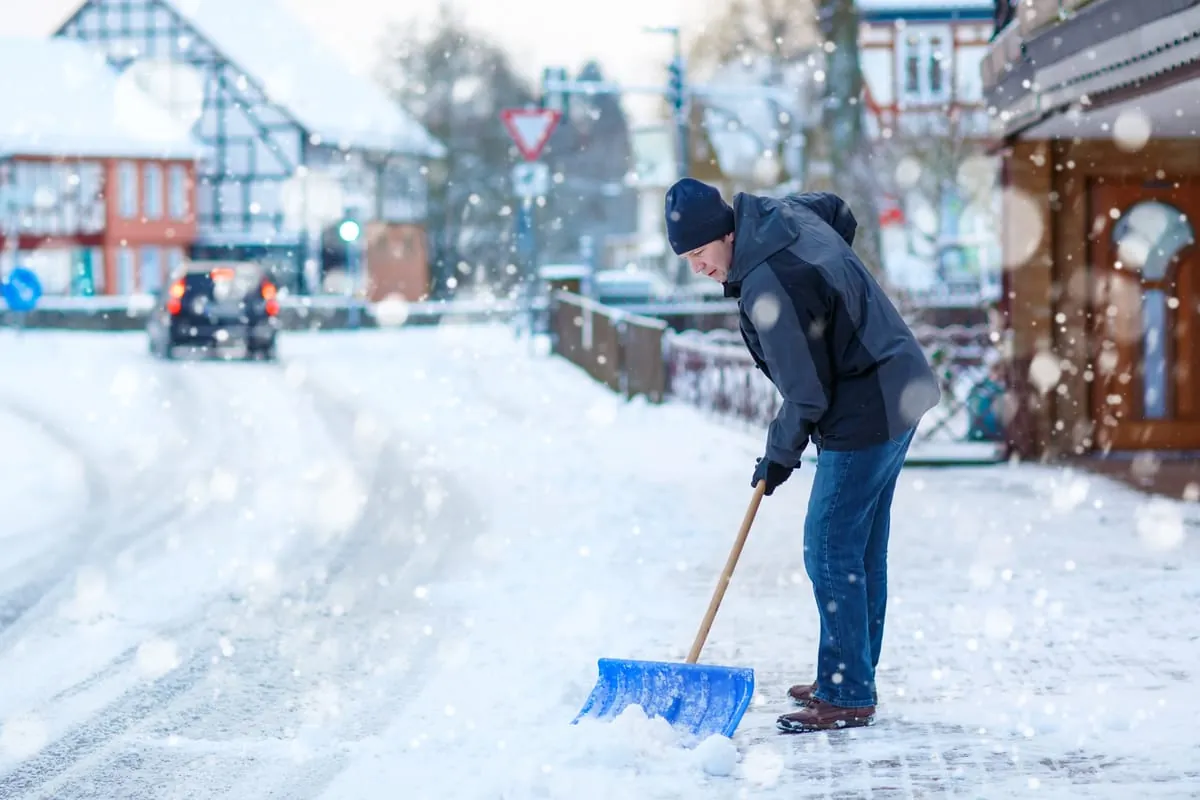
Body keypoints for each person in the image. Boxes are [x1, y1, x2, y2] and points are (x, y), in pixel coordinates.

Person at [663, 178, 940, 733]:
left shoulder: (771, 283)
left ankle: (847, 691)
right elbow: (836, 210)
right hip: (896, 385)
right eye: (687, 258)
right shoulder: (780, 218)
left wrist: (778, 455)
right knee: (858, 549)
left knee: (830, 547)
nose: (697, 268)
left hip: (867, 408)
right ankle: (850, 673)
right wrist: (835, 288)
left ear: (726, 233)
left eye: (699, 254)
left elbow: (807, 393)